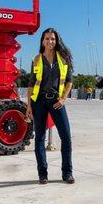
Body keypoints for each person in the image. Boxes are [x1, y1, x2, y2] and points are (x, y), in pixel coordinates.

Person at [26, 27, 75, 184]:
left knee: (66, 137)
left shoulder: (63, 59)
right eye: (47, 39)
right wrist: (28, 106)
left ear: (56, 41)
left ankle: (67, 173)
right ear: (42, 41)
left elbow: (69, 82)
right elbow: (31, 84)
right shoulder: (36, 59)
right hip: (39, 102)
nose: (50, 41)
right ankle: (43, 174)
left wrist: (63, 99)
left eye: (52, 39)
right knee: (39, 138)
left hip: (56, 102)